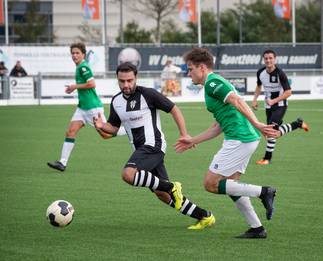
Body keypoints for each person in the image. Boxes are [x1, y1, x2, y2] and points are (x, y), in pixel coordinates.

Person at [92, 62, 215, 230]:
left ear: (136, 78)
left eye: (129, 80)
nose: (126, 84)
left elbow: (174, 109)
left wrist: (184, 133)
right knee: (162, 194)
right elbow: (113, 128)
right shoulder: (116, 101)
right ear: (118, 80)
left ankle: (173, 187)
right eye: (122, 81)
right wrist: (101, 125)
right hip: (140, 151)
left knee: (128, 175)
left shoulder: (148, 94)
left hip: (153, 146)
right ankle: (204, 216)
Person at [175, 47, 280, 239]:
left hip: (240, 139)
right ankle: (257, 228)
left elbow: (236, 100)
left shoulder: (212, 83)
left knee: (211, 184)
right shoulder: (213, 83)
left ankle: (264, 192)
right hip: (243, 138)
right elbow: (218, 126)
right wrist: (192, 140)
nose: (188, 73)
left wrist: (256, 122)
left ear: (202, 68)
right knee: (231, 185)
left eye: (190, 69)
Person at [47, 42, 124, 171]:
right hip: (82, 108)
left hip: (92, 108)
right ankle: (62, 163)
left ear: (83, 54)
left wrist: (74, 87)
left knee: (105, 135)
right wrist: (74, 88)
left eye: (77, 53)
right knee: (71, 131)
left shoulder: (83, 67)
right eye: (73, 53)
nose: (74, 55)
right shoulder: (79, 67)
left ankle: (129, 129)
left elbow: (92, 84)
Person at [252, 49, 309, 165]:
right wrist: (254, 99)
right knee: (273, 134)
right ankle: (297, 124)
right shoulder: (260, 72)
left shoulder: (280, 73)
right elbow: (258, 86)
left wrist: (274, 101)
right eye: (266, 58)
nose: (268, 60)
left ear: (275, 59)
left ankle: (267, 158)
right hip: (268, 106)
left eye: (270, 58)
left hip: (280, 105)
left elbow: (288, 92)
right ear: (264, 60)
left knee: (271, 131)